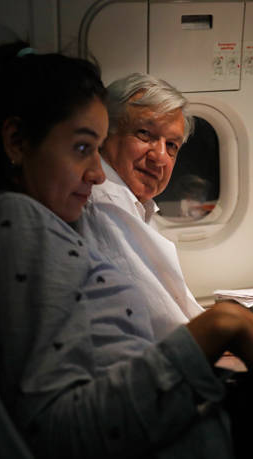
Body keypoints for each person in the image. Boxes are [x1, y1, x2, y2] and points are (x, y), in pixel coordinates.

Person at [0, 46, 253, 459]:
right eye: (83, 148)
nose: (97, 174)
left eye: (173, 146)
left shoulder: (52, 223)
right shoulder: (16, 221)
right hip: (192, 434)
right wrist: (224, 326)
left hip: (189, 419)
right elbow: (59, 435)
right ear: (16, 141)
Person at [76, 73, 204, 340]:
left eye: (172, 145)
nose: (160, 157)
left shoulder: (136, 203)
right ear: (106, 134)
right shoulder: (102, 200)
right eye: (145, 134)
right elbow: (164, 324)